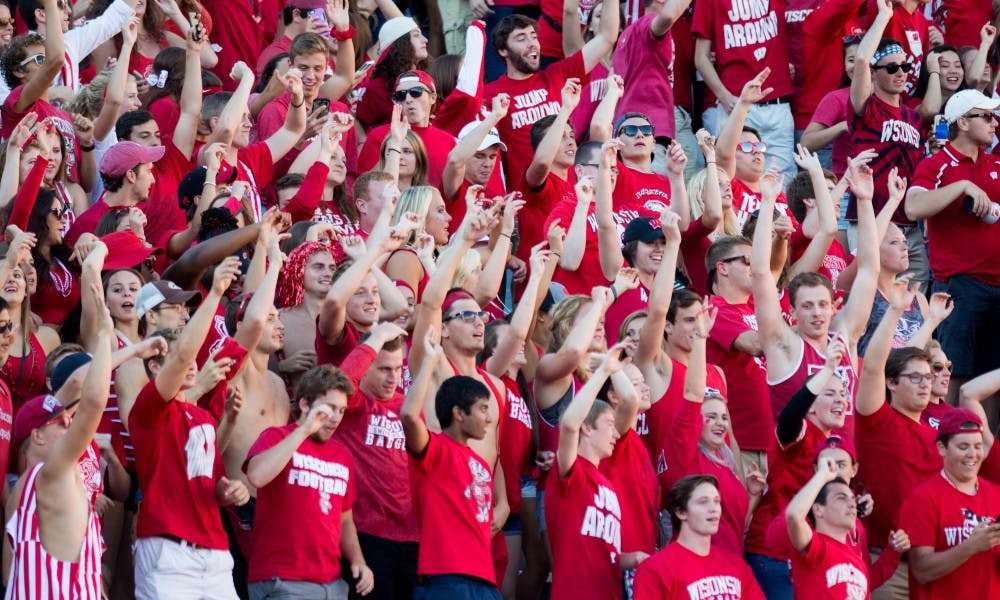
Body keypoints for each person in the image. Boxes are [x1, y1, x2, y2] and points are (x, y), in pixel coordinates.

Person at [128, 257, 250, 599]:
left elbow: (212, 483)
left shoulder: (203, 418)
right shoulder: (149, 409)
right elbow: (182, 355)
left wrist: (230, 492)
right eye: (182, 362)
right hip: (168, 554)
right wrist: (215, 295)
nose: (192, 365)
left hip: (215, 554)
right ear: (155, 367)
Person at [5, 240, 112, 598]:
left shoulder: (25, 489)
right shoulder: (48, 473)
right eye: (61, 421)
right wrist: (106, 335)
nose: (70, 424)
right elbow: (93, 396)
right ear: (36, 436)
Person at [244, 364, 374, 599]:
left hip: (332, 584)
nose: (336, 418)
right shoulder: (276, 437)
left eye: (342, 410)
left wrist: (359, 561)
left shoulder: (342, 455)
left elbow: (345, 520)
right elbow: (256, 476)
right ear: (304, 404)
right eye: (330, 408)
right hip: (283, 580)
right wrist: (304, 430)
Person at [904, 88, 1000, 402]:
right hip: (961, 285)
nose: (993, 122)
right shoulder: (937, 165)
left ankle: (984, 449)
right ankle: (948, 442)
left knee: (993, 377)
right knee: (952, 372)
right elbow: (913, 207)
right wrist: (962, 185)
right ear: (962, 123)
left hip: (996, 284)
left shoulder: (995, 163)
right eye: (985, 116)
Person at [855, 274, 943, 598]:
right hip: (886, 563)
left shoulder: (938, 435)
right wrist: (894, 311)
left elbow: (902, 364)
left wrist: (931, 320)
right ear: (892, 384)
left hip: (933, 564)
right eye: (915, 378)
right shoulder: (877, 421)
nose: (925, 384)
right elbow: (876, 368)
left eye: (928, 378)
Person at [402, 328, 501, 599]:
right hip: (446, 580)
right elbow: (410, 416)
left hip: (486, 581)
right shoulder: (435, 450)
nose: (489, 418)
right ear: (458, 413)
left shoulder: (478, 461)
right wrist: (430, 362)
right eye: (482, 409)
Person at [484, 3, 619, 189]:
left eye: (534, 37)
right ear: (503, 50)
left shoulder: (558, 75)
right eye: (521, 38)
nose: (532, 43)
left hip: (572, 194)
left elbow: (607, 37)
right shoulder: (491, 95)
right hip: (531, 199)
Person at [335, 321, 417, 600]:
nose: (392, 377)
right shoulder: (352, 404)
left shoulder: (407, 406)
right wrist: (378, 335)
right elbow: (342, 382)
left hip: (412, 536)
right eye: (384, 368)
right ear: (367, 364)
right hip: (366, 534)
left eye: (397, 369)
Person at [546, 345, 636, 598]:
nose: (617, 433)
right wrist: (603, 372)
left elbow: (606, 556)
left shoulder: (607, 485)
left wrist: (636, 559)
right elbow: (568, 423)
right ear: (587, 428)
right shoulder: (571, 472)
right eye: (609, 424)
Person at [848, 0, 925, 280]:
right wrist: (883, 17)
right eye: (891, 68)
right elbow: (860, 60)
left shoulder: (915, 118)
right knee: (869, 300)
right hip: (870, 219)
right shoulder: (865, 108)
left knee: (912, 308)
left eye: (904, 66)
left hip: (909, 229)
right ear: (875, 73)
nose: (900, 72)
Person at [897, 409, 1000, 600]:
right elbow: (921, 571)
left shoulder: (996, 495)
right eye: (963, 447)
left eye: (978, 446)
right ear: (941, 448)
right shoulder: (922, 499)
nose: (972, 454)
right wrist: (971, 546)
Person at [692, 0, 795, 180]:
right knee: (731, 181)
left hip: (777, 105)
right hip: (736, 106)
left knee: (781, 182)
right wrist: (724, 96)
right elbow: (700, 58)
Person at [632, 475, 765, 599]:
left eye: (717, 501)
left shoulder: (738, 567)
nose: (714, 508)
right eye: (703, 502)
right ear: (680, 511)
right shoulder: (655, 568)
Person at [785, 457, 870, 599]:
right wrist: (822, 475)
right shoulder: (816, 547)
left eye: (852, 499)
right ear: (818, 510)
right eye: (841, 498)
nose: (852, 504)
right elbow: (793, 516)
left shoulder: (860, 564)